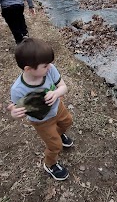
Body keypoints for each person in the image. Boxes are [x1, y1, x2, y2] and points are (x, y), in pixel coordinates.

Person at [8, 37, 73, 181]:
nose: (49, 67)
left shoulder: (50, 70)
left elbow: (64, 87)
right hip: (42, 121)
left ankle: (59, 134)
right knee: (55, 146)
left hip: (58, 108)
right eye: (45, 65)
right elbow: (17, 110)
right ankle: (50, 164)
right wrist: (14, 113)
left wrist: (56, 93)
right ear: (28, 69)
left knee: (67, 122)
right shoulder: (18, 89)